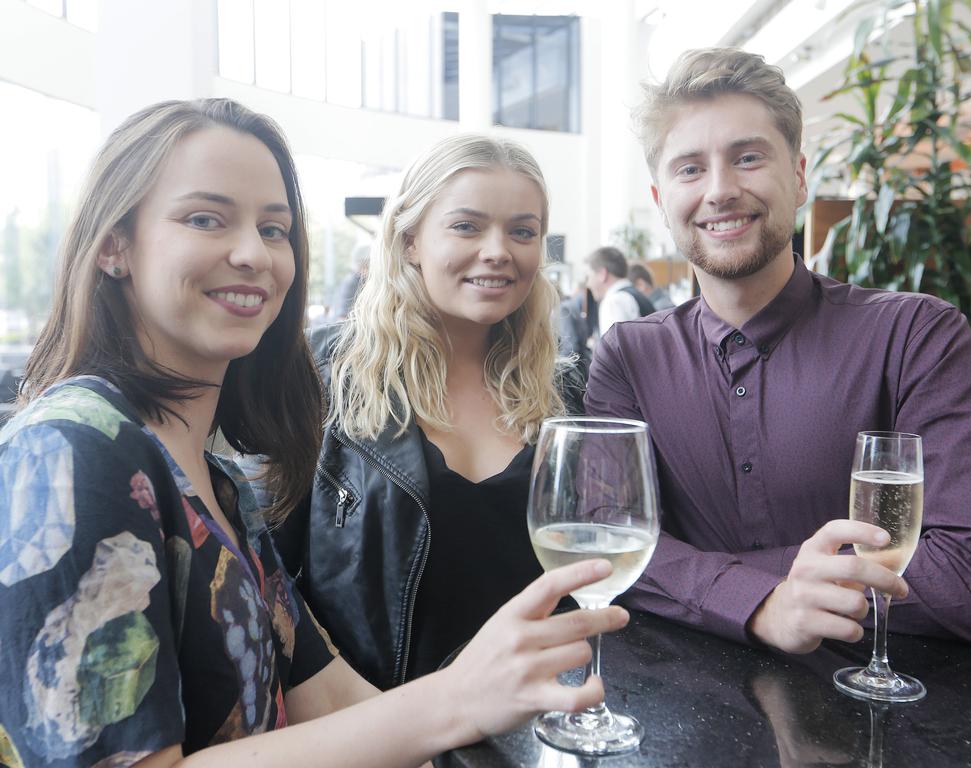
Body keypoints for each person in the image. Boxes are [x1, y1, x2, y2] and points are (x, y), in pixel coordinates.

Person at [0, 99, 626, 767]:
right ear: (113, 245)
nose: (253, 254)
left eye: (275, 229)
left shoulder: (216, 483)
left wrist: (472, 707)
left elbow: (323, 695)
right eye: (205, 218)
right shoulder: (70, 448)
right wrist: (455, 701)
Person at [585, 47, 971, 653]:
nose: (719, 190)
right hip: (687, 715)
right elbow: (604, 542)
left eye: (747, 158)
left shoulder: (916, 336)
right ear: (662, 201)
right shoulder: (629, 356)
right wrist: (763, 600)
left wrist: (717, 578)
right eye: (689, 169)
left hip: (905, 718)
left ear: (797, 176)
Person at [265, 134, 587, 692]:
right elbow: (267, 577)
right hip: (378, 723)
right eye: (467, 226)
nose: (498, 250)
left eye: (522, 231)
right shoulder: (323, 372)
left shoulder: (565, 392)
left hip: (533, 722)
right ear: (410, 239)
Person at [585, 246, 656, 336]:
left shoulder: (614, 302)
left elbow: (616, 348)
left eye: (589, 276)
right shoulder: (636, 296)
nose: (588, 284)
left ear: (602, 274)